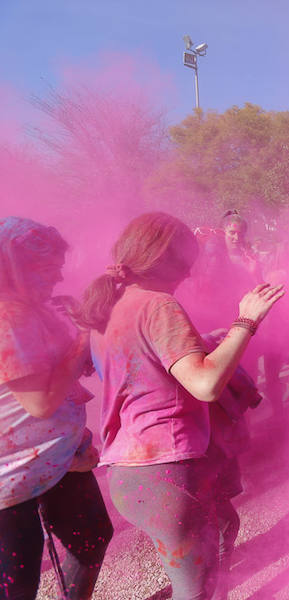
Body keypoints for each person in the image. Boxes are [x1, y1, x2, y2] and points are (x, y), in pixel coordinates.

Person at [79, 212, 283, 600]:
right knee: (197, 593)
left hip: (130, 474)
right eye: (187, 265)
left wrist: (203, 341)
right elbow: (205, 383)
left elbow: (139, 369)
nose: (189, 276)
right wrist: (247, 321)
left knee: (222, 530)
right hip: (168, 476)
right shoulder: (159, 305)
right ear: (165, 259)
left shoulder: (108, 306)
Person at [0, 216, 113, 600]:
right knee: (17, 586)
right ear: (11, 267)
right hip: (11, 476)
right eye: (47, 270)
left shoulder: (37, 308)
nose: (57, 280)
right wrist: (84, 335)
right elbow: (41, 402)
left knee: (93, 536)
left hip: (55, 456)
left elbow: (66, 370)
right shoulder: (6, 315)